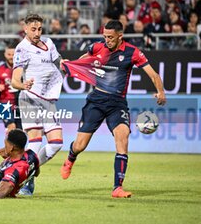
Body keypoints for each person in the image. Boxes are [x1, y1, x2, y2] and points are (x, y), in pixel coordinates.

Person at [60, 20, 166, 198]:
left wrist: (161, 92)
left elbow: (153, 74)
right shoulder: (96, 47)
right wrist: (69, 65)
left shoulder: (133, 52)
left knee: (123, 138)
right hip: (96, 101)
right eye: (105, 36)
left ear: (120, 36)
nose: (107, 40)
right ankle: (71, 158)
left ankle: (117, 188)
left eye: (110, 37)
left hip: (117, 104)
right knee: (80, 145)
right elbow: (82, 62)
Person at [11, 13, 65, 195]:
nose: (37, 32)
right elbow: (14, 81)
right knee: (35, 139)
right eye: (33, 29)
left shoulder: (49, 43)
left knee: (57, 143)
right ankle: (26, 181)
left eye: (39, 29)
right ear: (25, 28)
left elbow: (58, 60)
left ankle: (28, 171)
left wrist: (64, 63)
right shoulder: (22, 49)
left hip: (47, 99)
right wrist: (22, 84)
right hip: (30, 97)